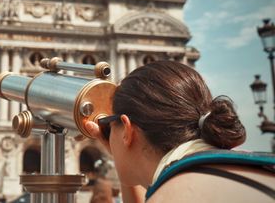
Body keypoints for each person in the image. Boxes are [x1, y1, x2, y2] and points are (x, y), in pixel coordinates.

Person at [86, 61, 275, 203]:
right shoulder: (246, 169)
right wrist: (125, 155)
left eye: (109, 124)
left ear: (127, 129)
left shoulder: (171, 196)